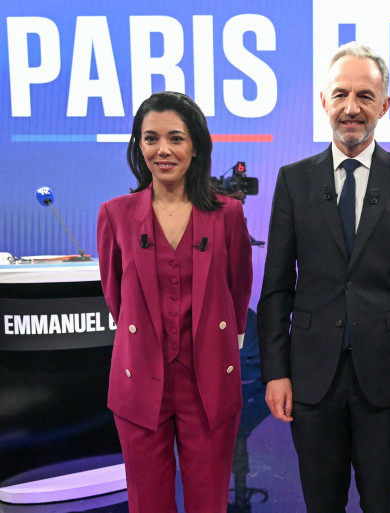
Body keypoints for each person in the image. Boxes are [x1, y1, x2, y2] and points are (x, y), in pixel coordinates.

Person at [257, 42, 390, 513]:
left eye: (365, 96)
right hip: (311, 375)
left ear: (385, 105)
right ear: (324, 101)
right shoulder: (293, 181)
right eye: (341, 94)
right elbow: (276, 288)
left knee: (382, 502)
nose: (351, 107)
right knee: (321, 503)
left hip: (387, 376)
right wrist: (275, 372)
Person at [97, 91, 253, 513]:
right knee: (147, 502)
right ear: (139, 146)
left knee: (208, 501)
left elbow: (238, 289)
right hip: (139, 378)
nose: (162, 149)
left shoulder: (228, 214)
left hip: (208, 381)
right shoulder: (114, 214)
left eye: (176, 138)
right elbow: (116, 296)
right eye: (151, 139)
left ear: (196, 146)